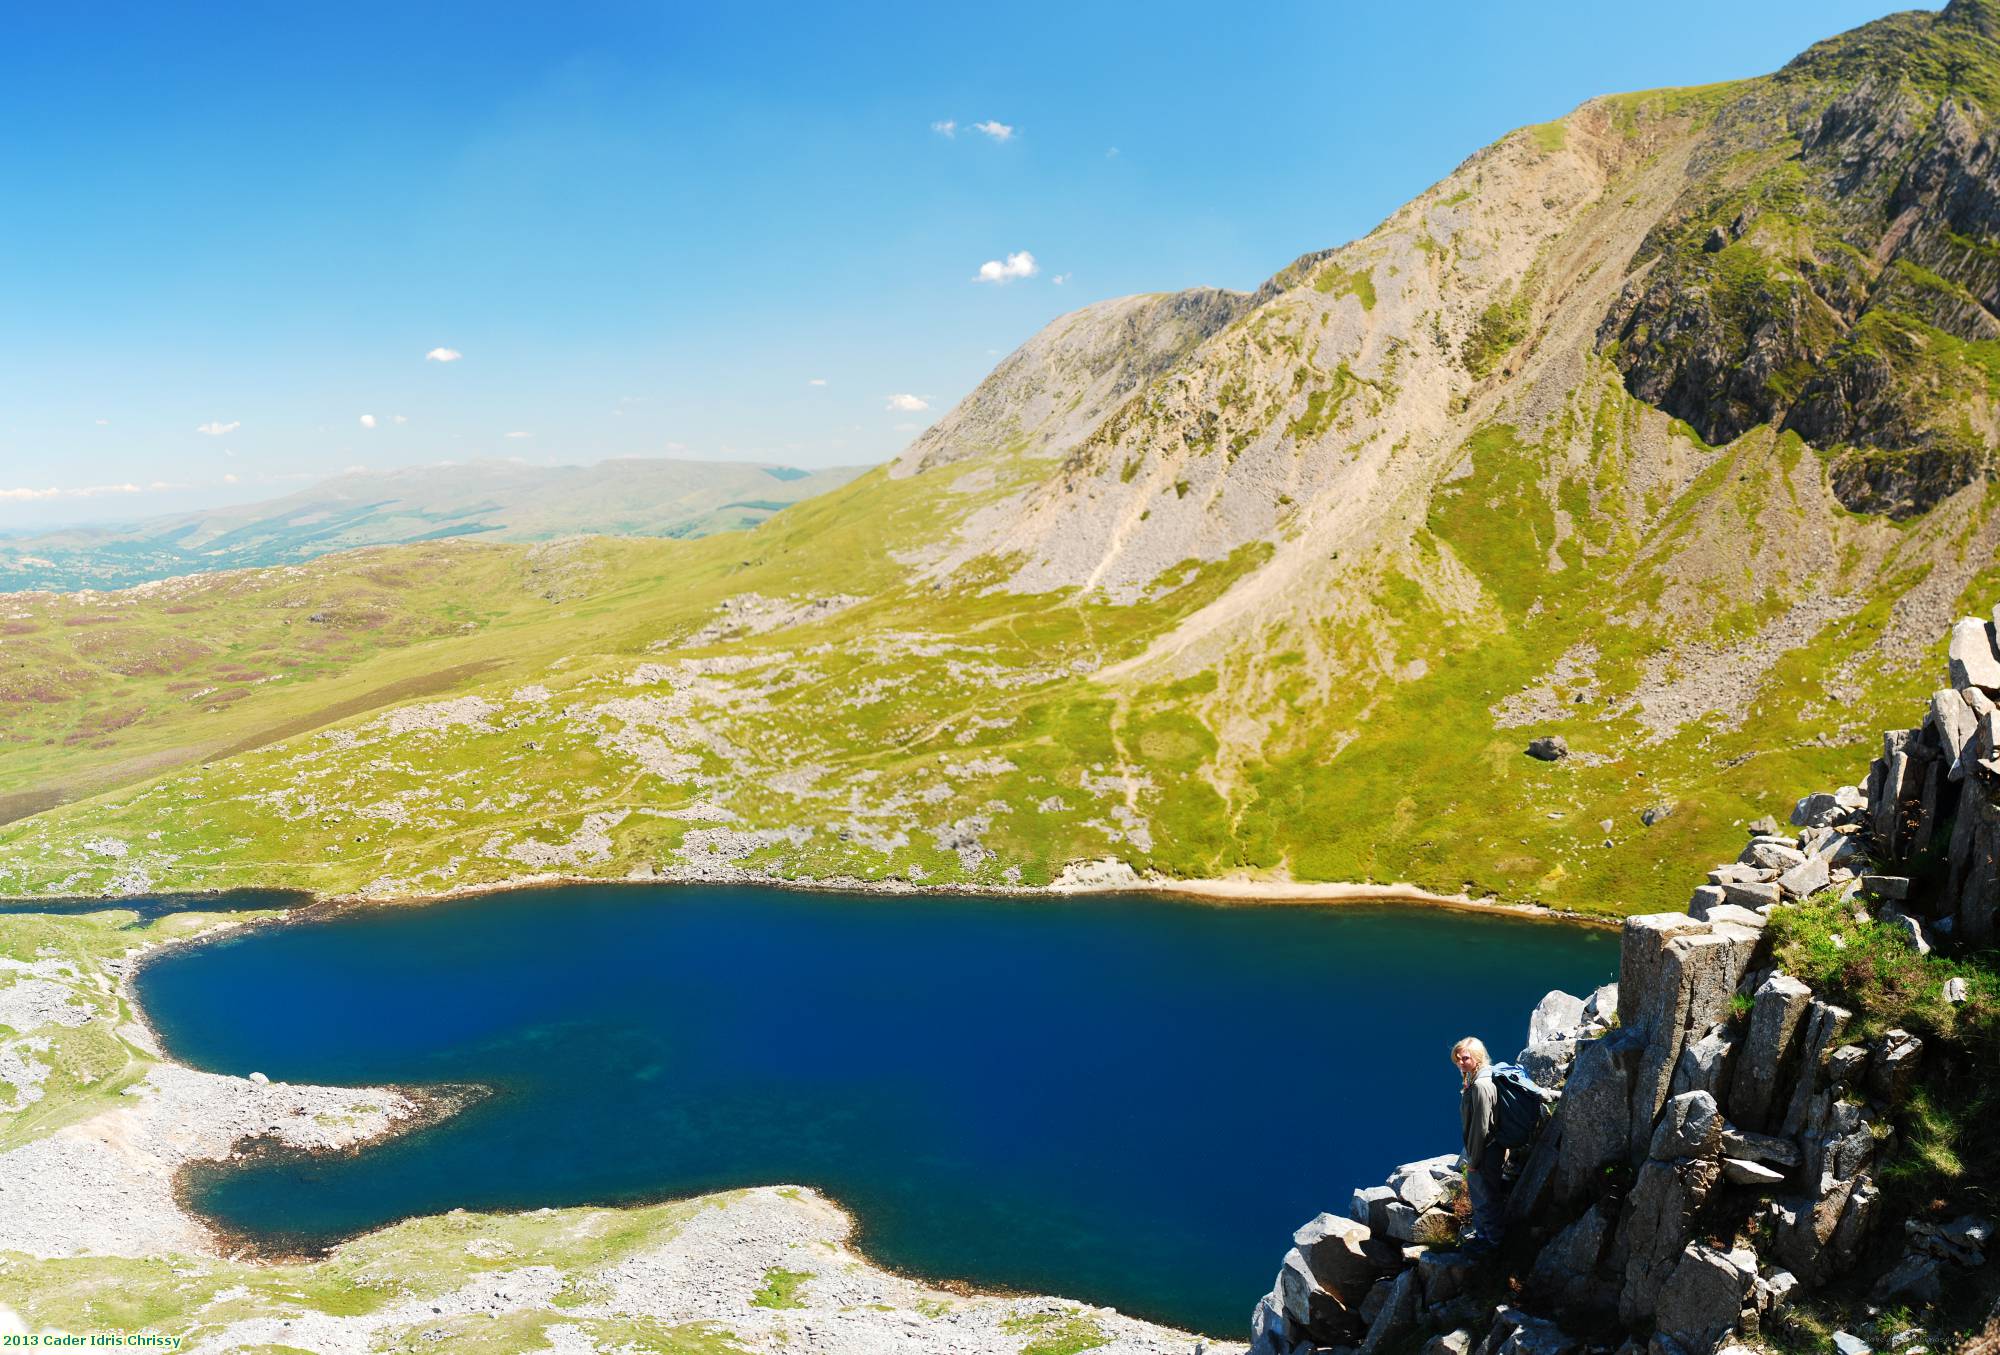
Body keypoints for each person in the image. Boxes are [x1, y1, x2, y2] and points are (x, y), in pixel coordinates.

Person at [1452, 1036, 1507, 1256]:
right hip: (1487, 1150)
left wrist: (1473, 1161)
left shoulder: (1482, 1085)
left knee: (1486, 1199)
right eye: (1457, 1058)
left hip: (1485, 1152)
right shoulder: (1477, 1079)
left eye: (1465, 1058)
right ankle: (1484, 1237)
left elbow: (1480, 1128)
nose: (1460, 1062)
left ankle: (1493, 1244)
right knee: (1483, 1196)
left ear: (1477, 1057)